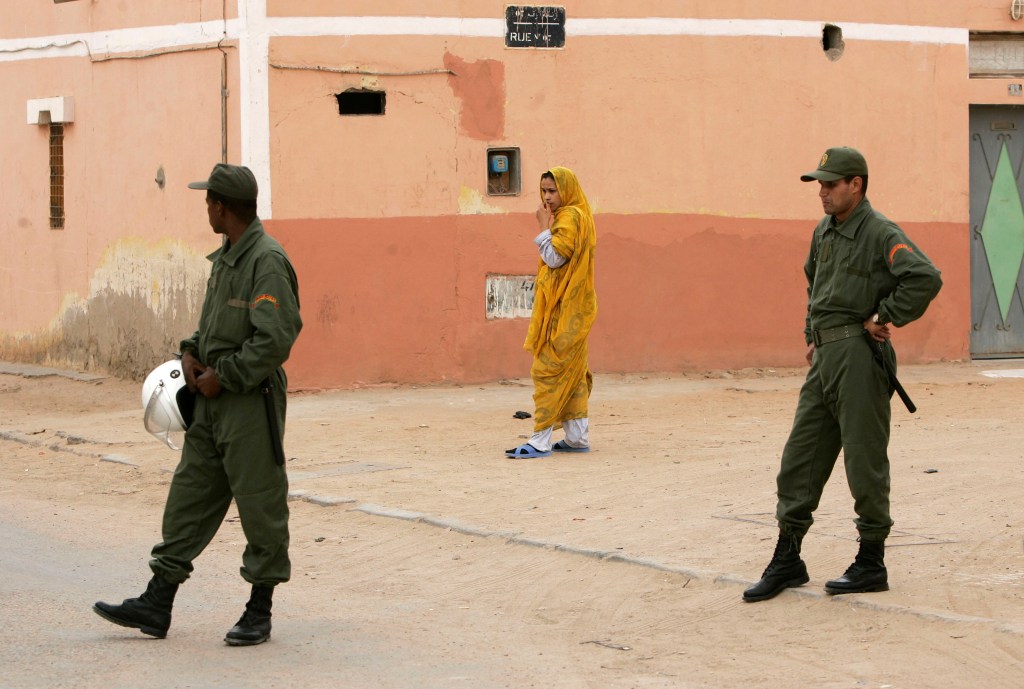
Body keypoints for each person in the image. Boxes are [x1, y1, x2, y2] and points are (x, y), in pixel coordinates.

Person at [93, 163, 303, 645]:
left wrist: (224, 376)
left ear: (221, 206)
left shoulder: (266, 261)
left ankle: (259, 609)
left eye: (208, 200)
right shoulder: (227, 256)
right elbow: (214, 327)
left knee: (260, 502)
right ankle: (157, 600)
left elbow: (275, 339)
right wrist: (190, 351)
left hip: (249, 402)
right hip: (210, 399)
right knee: (190, 494)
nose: (205, 207)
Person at [743, 147, 942, 602]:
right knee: (800, 457)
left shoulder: (879, 231)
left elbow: (924, 276)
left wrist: (885, 313)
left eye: (831, 184)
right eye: (820, 184)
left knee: (863, 461)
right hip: (827, 357)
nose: (823, 191)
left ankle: (871, 560)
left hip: (858, 355)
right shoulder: (825, 231)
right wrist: (811, 333)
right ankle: (788, 558)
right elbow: (814, 281)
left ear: (857, 184)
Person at [506, 167, 598, 458]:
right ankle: (576, 437)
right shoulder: (581, 215)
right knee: (573, 374)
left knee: (546, 370)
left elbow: (556, 259)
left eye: (552, 191)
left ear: (566, 190)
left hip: (565, 310)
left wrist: (543, 227)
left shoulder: (570, 217)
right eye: (544, 190)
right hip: (576, 309)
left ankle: (540, 439)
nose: (547, 197)